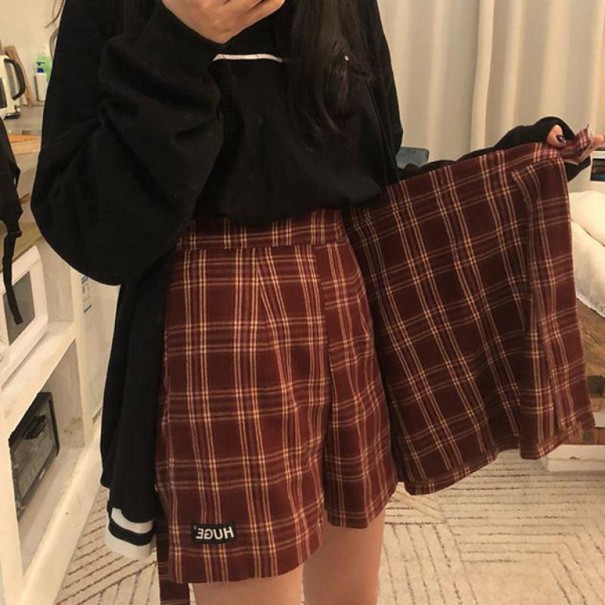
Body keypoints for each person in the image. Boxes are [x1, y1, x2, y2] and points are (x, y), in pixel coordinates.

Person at [31, 1, 604, 604]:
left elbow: (374, 182)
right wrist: (179, 43)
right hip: (217, 315)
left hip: (341, 292)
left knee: (352, 593)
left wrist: (516, 162)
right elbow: (86, 225)